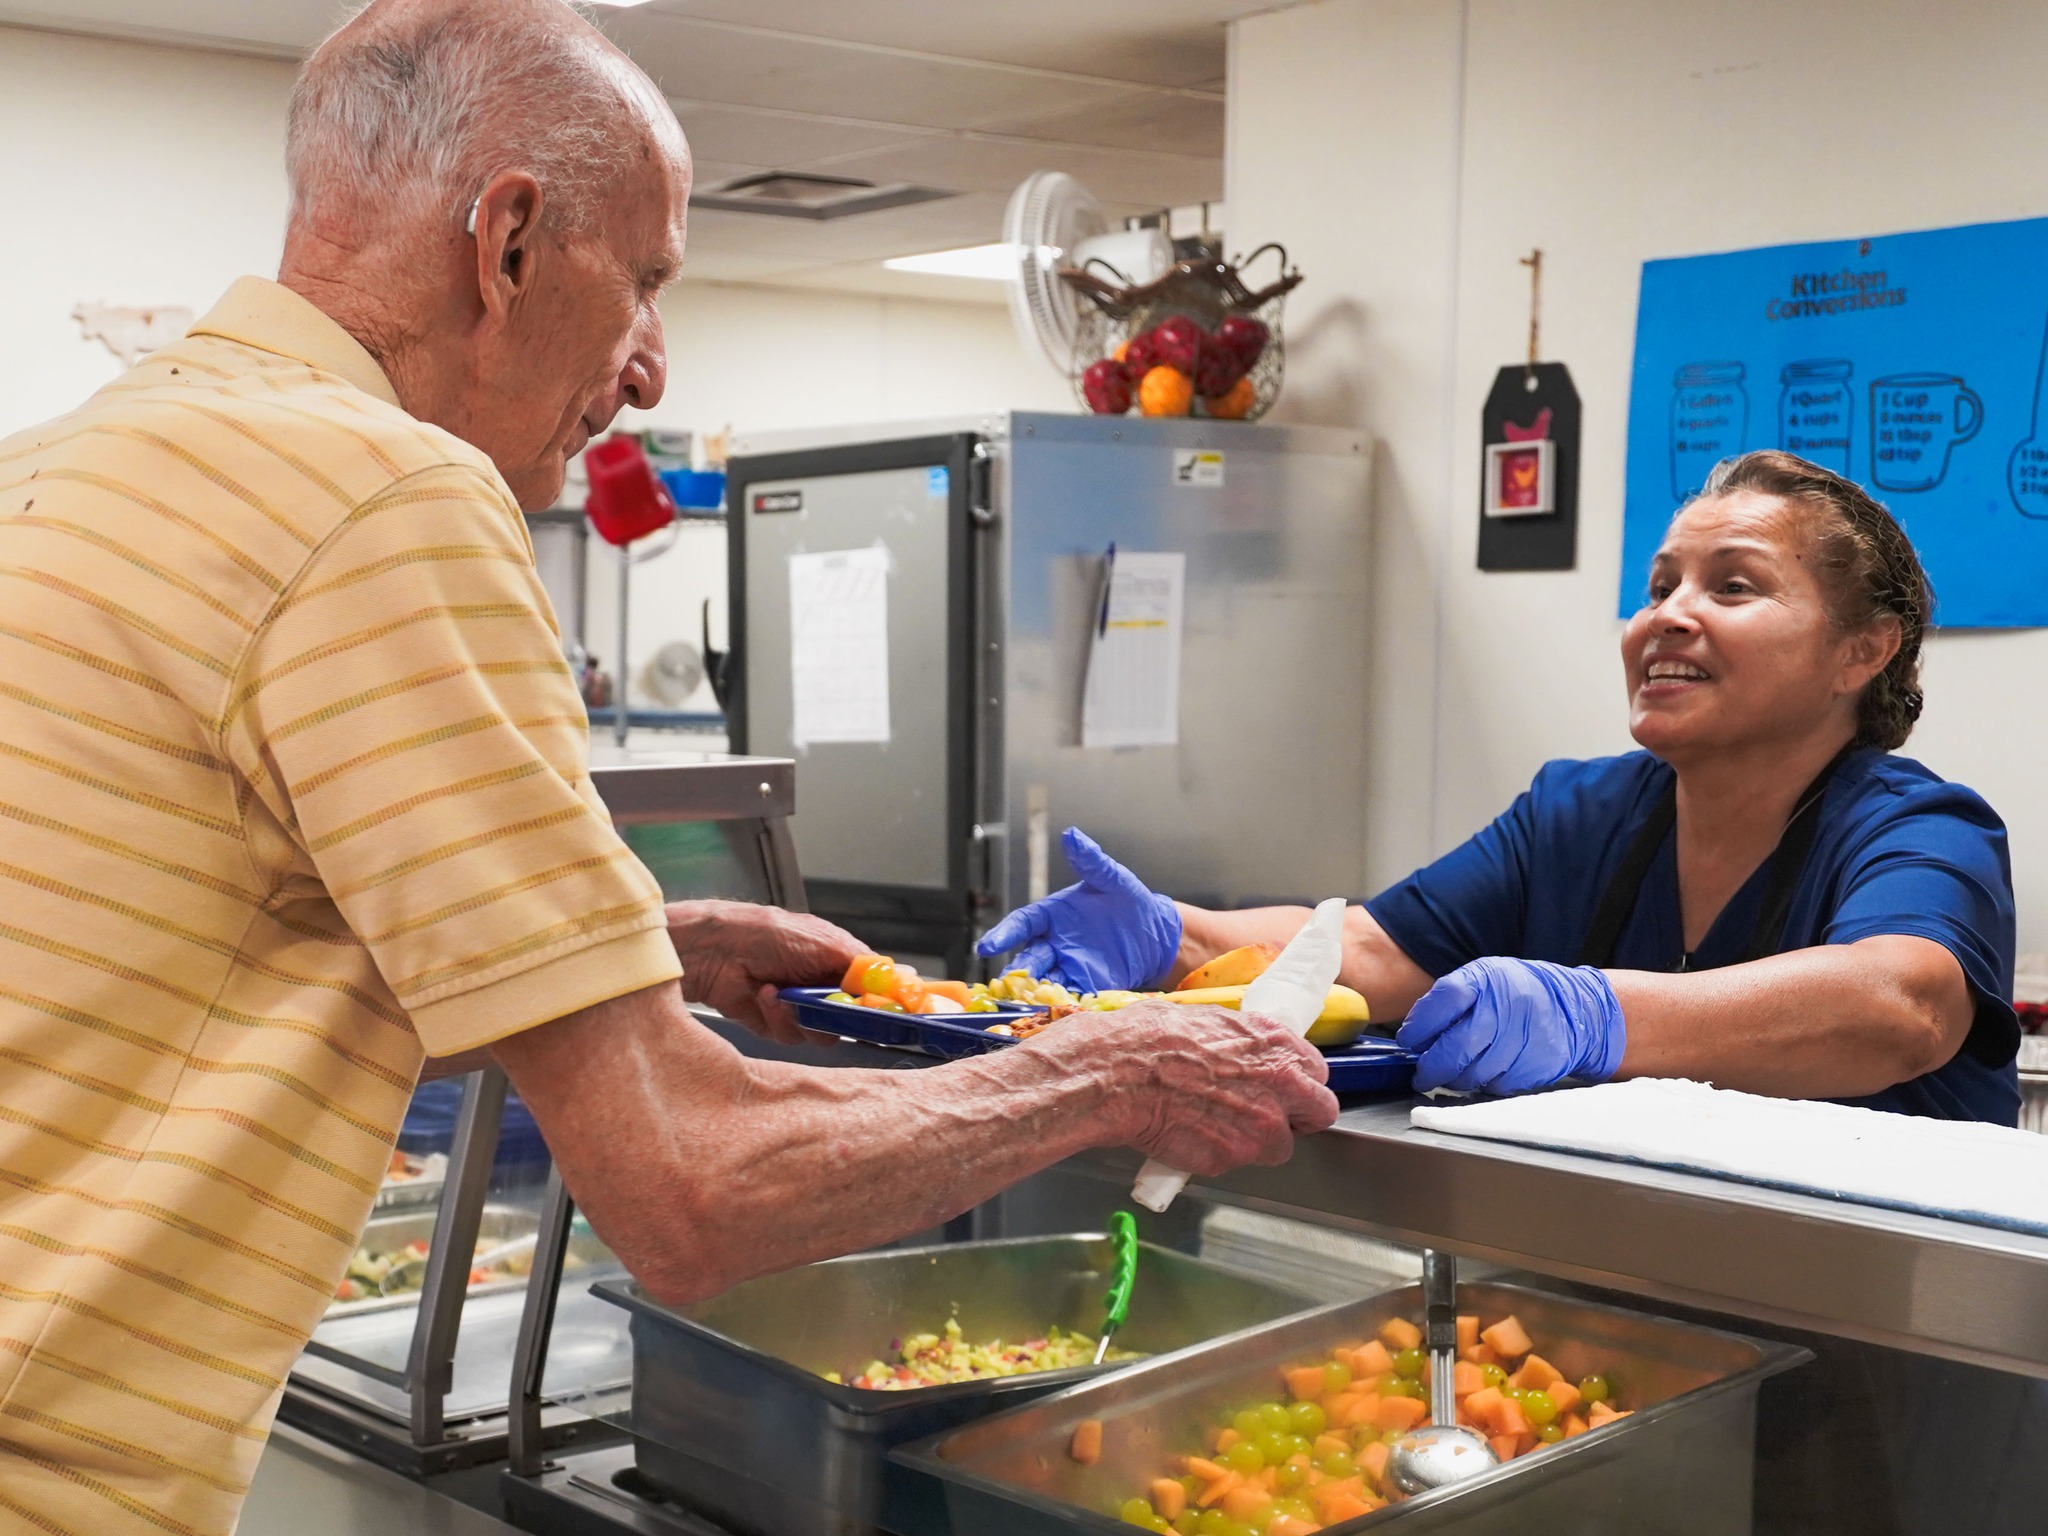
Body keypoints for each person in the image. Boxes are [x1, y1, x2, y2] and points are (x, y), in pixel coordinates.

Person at [0, 3, 1335, 1529]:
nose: (648, 369)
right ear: (506, 243)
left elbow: (169, 976)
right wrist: (1111, 1074)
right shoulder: (386, 499)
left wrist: (653, 947)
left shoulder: (66, 464)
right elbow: (694, 1194)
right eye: (640, 282)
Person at [984, 450, 2019, 1124]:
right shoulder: (1580, 813)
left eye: (1731, 586)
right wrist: (1172, 936)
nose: (1664, 615)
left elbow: (1898, 1004)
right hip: (1631, 1304)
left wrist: (1593, 1015)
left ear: (1860, 652)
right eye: (1659, 586)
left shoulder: (1920, 827)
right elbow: (1379, 952)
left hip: (1883, 1353)